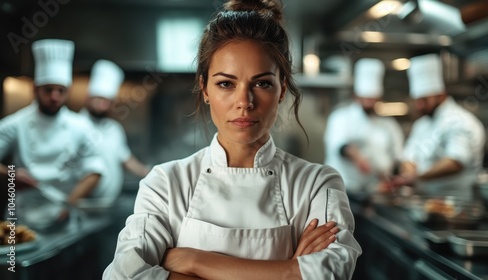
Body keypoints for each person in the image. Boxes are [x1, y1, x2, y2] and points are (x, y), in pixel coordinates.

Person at [103, 0, 361, 279]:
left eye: (262, 83)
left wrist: (193, 261)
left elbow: (332, 272)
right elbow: (122, 275)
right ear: (204, 89)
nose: (244, 102)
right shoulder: (166, 184)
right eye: (226, 83)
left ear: (282, 90)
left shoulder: (316, 184)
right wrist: (289, 270)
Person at [0, 39, 105, 210]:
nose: (54, 97)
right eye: (48, 90)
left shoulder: (81, 126)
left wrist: (69, 205)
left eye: (60, 91)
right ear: (35, 89)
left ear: (68, 92)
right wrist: (11, 174)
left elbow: (95, 170)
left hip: (64, 212)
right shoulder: (16, 123)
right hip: (23, 212)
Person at [392, 53, 486, 199]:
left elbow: (455, 162)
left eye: (424, 100)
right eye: (417, 100)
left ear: (440, 94)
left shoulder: (460, 121)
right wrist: (408, 171)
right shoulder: (421, 124)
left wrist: (418, 177)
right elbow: (409, 157)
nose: (419, 106)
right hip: (424, 202)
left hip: (458, 203)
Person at [324, 58, 404, 194]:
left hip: (376, 191)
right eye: (366, 99)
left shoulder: (389, 125)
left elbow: (397, 157)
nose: (369, 103)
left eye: (372, 99)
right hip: (342, 190)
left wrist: (391, 177)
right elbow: (339, 145)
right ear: (356, 95)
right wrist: (358, 158)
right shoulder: (340, 117)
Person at [80, 59, 150, 206]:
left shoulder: (114, 129)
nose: (103, 106)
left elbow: (126, 159)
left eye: (108, 101)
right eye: (99, 99)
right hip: (80, 206)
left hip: (107, 207)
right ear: (88, 97)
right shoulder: (76, 125)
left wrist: (149, 172)